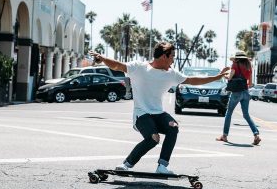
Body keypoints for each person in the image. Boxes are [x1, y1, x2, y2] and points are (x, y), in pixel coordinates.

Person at [90, 42, 229, 174]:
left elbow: (193, 80)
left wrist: (217, 77)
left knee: (173, 127)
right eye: (172, 57)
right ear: (164, 56)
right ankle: (126, 165)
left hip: (158, 113)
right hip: (141, 114)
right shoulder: (139, 67)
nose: (173, 61)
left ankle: (162, 166)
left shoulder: (171, 73)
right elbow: (117, 66)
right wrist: (102, 58)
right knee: (153, 138)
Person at [216, 51, 261, 145]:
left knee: (229, 113)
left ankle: (224, 136)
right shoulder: (249, 66)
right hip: (246, 92)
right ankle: (256, 135)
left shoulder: (235, 64)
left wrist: (224, 74)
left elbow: (229, 77)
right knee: (246, 115)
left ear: (237, 58)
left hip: (236, 93)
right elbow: (251, 83)